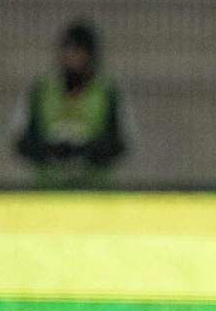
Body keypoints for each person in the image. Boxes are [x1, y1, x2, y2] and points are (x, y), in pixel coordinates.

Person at [10, 18, 129, 187]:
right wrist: (50, 151)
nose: (72, 60)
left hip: (95, 194)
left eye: (79, 53)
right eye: (68, 52)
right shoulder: (41, 91)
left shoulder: (108, 93)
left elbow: (121, 143)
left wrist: (88, 152)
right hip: (46, 193)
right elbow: (21, 141)